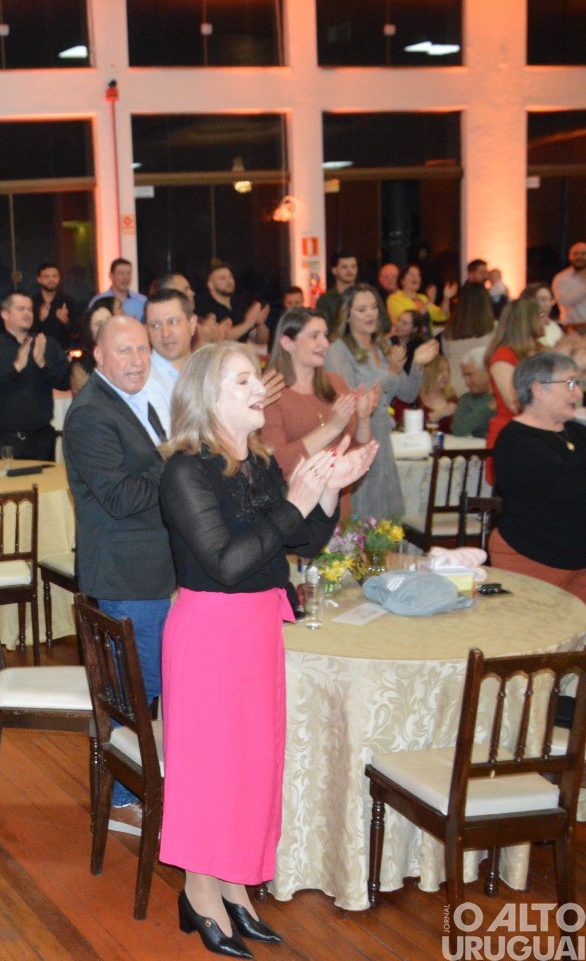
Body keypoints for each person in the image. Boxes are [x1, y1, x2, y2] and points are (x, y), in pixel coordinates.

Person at [158, 343, 372, 957]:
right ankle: (199, 895)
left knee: (251, 766)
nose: (261, 388)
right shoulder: (184, 470)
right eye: (244, 380)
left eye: (257, 377)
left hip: (257, 627)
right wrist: (296, 501)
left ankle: (235, 887)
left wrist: (328, 491)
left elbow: (302, 537)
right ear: (207, 397)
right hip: (210, 632)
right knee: (211, 770)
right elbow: (226, 564)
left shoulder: (254, 462)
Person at [62, 316, 173, 835]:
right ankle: (122, 798)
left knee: (144, 687)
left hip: (148, 570)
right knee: (136, 690)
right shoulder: (90, 415)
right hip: (127, 576)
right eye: (124, 351)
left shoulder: (135, 402)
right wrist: (171, 459)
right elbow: (121, 497)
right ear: (99, 357)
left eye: (143, 350)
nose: (136, 360)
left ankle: (132, 785)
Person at [325, 285, 438, 519]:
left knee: (386, 519)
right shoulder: (337, 350)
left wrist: (417, 364)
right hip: (358, 440)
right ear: (347, 316)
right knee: (363, 517)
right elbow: (352, 399)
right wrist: (391, 372)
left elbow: (407, 394)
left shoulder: (380, 347)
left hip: (383, 440)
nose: (371, 314)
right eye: (362, 309)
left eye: (374, 307)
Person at [490, 352, 586, 597]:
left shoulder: (576, 431)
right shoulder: (515, 440)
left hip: (578, 562)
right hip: (531, 558)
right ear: (538, 389)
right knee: (539, 634)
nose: (578, 393)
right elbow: (566, 484)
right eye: (570, 384)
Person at [262, 308, 375, 492]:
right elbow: (278, 464)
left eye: (325, 335)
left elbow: (358, 456)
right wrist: (332, 428)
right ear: (287, 343)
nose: (324, 343)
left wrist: (364, 417)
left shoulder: (336, 383)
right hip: (298, 508)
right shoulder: (271, 393)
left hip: (339, 504)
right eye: (314, 336)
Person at [0, 292, 70, 460]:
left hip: (41, 440)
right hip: (2, 441)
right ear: (5, 314)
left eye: (30, 309)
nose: (27, 313)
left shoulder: (47, 344)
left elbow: (65, 382)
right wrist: (15, 367)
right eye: (21, 309)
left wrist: (42, 364)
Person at [485, 297, 548, 459]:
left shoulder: (543, 351)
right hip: (512, 435)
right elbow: (515, 404)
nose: (546, 320)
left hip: (540, 432)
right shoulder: (503, 356)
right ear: (527, 320)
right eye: (540, 315)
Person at [142, 288, 198, 435]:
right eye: (155, 325)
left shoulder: (206, 369)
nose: (165, 333)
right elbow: (169, 443)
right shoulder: (144, 381)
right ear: (146, 331)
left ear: (192, 324)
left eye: (173, 322)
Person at [441, 282, 498, 397]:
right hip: (480, 390)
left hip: (453, 389)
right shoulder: (493, 328)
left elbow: (446, 358)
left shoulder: (449, 330)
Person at [200, 262, 268, 344]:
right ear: (210, 285)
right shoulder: (205, 309)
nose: (229, 281)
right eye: (222, 278)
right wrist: (248, 323)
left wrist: (260, 323)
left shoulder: (240, 307)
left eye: (231, 277)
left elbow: (261, 341)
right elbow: (218, 340)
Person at [400, 353, 458, 433]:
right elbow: (404, 424)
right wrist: (440, 414)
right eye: (440, 371)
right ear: (429, 372)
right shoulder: (413, 398)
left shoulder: (453, 399)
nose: (446, 376)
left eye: (448, 371)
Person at [386, 263, 446, 327]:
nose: (416, 277)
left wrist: (446, 298)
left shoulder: (423, 298)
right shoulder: (394, 299)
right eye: (412, 275)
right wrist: (430, 301)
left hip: (428, 336)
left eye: (418, 275)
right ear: (402, 280)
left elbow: (441, 316)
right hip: (409, 336)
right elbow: (408, 322)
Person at [451, 354, 497, 438]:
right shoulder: (466, 399)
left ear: (487, 371)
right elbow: (457, 430)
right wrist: (489, 407)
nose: (466, 383)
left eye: (469, 375)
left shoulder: (507, 394)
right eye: (464, 376)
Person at [32, 262, 74, 350]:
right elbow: (27, 333)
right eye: (46, 277)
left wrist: (66, 320)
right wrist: (40, 319)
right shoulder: (31, 302)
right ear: (39, 279)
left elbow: (76, 332)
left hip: (63, 353)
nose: (51, 280)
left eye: (54, 276)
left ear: (59, 278)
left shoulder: (67, 301)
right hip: (37, 352)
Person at [316, 252, 359, 330]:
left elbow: (384, 324)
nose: (350, 271)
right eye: (344, 267)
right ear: (334, 270)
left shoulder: (367, 295)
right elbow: (325, 330)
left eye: (353, 267)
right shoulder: (325, 300)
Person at [520, 283, 565, 348]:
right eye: (543, 300)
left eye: (550, 300)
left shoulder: (553, 326)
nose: (548, 304)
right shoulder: (523, 327)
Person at [553, 241, 586, 328]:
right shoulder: (561, 278)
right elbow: (563, 301)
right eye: (575, 254)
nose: (579, 257)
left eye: (583, 254)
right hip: (572, 328)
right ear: (569, 256)